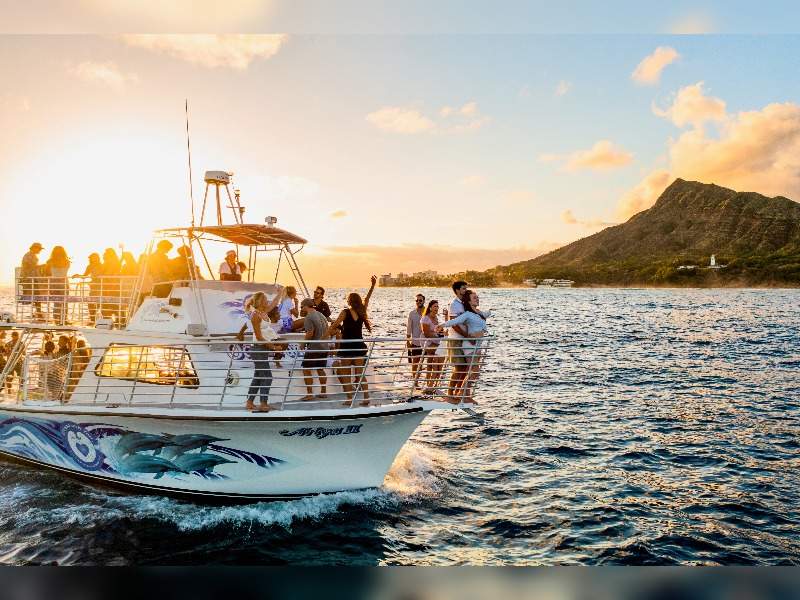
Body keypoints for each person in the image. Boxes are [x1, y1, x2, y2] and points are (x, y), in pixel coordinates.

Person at [328, 275, 376, 406]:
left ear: (349, 301)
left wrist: (324, 336)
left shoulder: (345, 312)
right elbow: (368, 298)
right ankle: (366, 398)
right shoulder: (362, 311)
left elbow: (334, 325)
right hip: (359, 346)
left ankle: (349, 399)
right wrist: (372, 286)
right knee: (360, 374)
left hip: (347, 347)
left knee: (346, 374)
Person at [438, 289, 490, 403]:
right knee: (474, 370)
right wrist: (442, 324)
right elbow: (454, 321)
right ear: (469, 301)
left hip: (477, 345)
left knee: (474, 371)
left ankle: (465, 393)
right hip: (469, 345)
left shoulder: (479, 313)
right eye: (474, 297)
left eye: (477, 297)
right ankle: (463, 392)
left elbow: (486, 318)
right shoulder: (468, 314)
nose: (477, 299)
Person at [241, 290, 284, 412]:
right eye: (265, 299)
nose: (267, 301)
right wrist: (273, 347)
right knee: (267, 377)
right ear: (260, 301)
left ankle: (249, 402)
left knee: (258, 376)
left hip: (263, 349)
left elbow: (274, 303)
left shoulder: (263, 312)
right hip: (258, 348)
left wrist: (281, 292)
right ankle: (263, 403)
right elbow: (259, 337)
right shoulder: (255, 315)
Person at [300, 298, 330, 401]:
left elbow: (310, 333)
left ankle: (309, 394)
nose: (301, 309)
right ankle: (323, 391)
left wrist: (303, 344)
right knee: (320, 369)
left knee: (306, 369)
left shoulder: (309, 317)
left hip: (314, 347)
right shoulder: (321, 315)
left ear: (305, 306)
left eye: (301, 307)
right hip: (324, 346)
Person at [445, 280, 469, 402]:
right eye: (463, 288)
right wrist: (466, 334)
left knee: (465, 368)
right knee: (459, 367)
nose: (466, 290)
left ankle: (458, 392)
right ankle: (450, 393)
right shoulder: (454, 304)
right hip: (455, 339)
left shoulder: (465, 303)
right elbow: (454, 324)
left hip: (464, 340)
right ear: (457, 290)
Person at [419, 299, 446, 395]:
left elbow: (441, 331)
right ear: (430, 307)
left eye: (437, 306)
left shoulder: (437, 318)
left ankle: (434, 385)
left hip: (436, 342)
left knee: (436, 362)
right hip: (427, 342)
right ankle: (430, 385)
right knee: (435, 361)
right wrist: (437, 334)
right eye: (435, 306)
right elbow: (426, 333)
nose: (436, 308)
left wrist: (441, 333)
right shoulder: (426, 318)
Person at [44, 246, 70, 325]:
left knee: (57, 302)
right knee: (64, 302)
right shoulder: (66, 261)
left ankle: (57, 319)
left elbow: (46, 273)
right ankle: (64, 319)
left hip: (54, 283)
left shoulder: (50, 261)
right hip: (64, 282)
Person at [75, 253, 103, 323]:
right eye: (90, 258)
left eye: (92, 257)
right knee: (90, 303)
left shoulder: (101, 265)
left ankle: (99, 319)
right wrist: (78, 275)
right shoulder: (90, 266)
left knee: (100, 303)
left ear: (97, 258)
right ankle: (93, 319)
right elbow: (84, 275)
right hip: (93, 287)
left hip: (101, 286)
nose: (90, 259)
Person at [20, 242, 45, 320]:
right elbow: (32, 266)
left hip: (31, 278)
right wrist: (43, 265)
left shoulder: (31, 255)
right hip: (29, 278)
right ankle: (38, 313)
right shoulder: (29, 255)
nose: (40, 251)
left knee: (36, 295)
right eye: (39, 249)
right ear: (35, 248)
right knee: (36, 295)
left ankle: (38, 312)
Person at [406, 293, 425, 379]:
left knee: (422, 364)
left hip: (426, 343)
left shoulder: (427, 312)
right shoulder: (412, 313)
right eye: (416, 300)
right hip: (415, 342)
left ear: (424, 301)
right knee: (415, 363)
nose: (418, 302)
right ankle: (415, 382)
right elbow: (409, 328)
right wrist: (407, 341)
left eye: (420, 300)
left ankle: (426, 381)